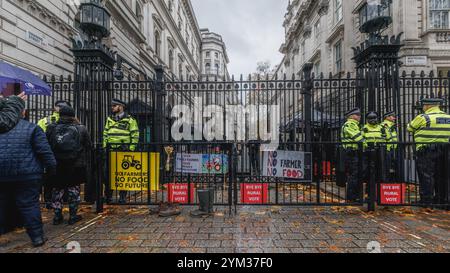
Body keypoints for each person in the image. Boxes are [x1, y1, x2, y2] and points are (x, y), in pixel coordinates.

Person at [0, 96, 57, 247]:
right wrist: (51, 169)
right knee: (29, 205)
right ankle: (37, 237)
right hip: (28, 174)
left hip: (2, 174)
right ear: (22, 112)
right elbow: (44, 152)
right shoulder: (32, 128)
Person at [46, 105, 92, 225]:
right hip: (75, 165)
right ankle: (72, 216)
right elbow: (88, 145)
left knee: (57, 190)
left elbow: (47, 145)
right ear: (73, 116)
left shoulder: (51, 127)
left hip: (57, 164)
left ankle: (57, 216)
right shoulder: (81, 128)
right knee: (74, 191)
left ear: (60, 115)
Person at [407, 98, 450, 207]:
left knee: (426, 175)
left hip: (426, 150)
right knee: (443, 175)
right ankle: (442, 200)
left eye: (423, 105)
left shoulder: (423, 117)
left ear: (427, 106)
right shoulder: (447, 117)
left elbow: (410, 128)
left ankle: (427, 200)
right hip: (445, 149)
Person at [103, 98, 139, 204]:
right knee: (108, 174)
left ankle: (122, 196)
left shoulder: (130, 120)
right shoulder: (109, 119)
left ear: (121, 107)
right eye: (112, 106)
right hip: (111, 150)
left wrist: (130, 149)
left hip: (123, 150)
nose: (112, 107)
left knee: (123, 174)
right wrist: (105, 146)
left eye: (114, 106)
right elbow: (105, 134)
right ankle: (108, 196)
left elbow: (135, 135)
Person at [37, 100, 71, 209]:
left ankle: (48, 200)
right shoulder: (70, 120)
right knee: (65, 176)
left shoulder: (44, 121)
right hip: (65, 154)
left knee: (49, 178)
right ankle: (64, 198)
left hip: (49, 153)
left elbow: (38, 137)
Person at [340, 108, 365, 202]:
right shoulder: (350, 124)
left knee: (356, 174)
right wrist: (366, 143)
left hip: (354, 151)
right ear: (352, 116)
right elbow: (358, 138)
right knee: (353, 174)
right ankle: (351, 197)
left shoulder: (355, 125)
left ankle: (355, 196)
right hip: (351, 152)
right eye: (357, 115)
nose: (359, 117)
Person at [382, 111, 399, 182]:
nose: (394, 118)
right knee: (387, 166)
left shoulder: (392, 125)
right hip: (387, 149)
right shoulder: (383, 125)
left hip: (393, 148)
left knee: (393, 166)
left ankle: (391, 182)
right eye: (392, 116)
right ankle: (386, 182)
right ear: (387, 117)